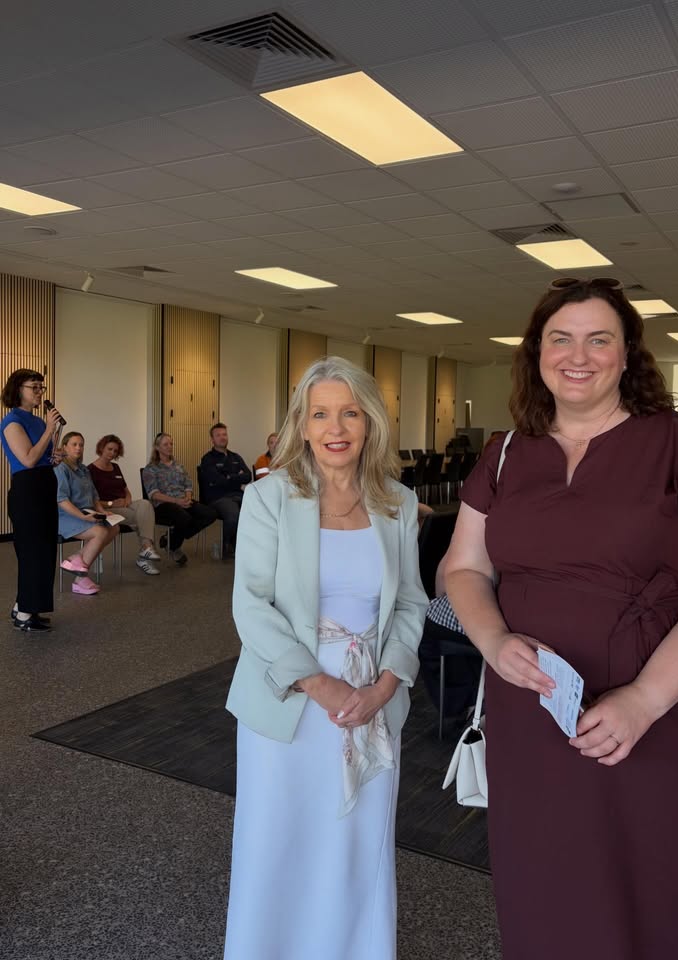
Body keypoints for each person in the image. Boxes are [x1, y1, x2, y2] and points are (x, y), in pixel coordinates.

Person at [444, 276, 678, 960]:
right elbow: (464, 569)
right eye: (560, 339)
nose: (578, 355)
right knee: (547, 886)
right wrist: (494, 639)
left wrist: (644, 700)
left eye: (600, 339)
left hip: (658, 715)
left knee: (660, 889)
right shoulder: (505, 453)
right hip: (531, 715)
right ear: (536, 352)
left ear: (628, 354)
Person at [223, 356, 427, 960]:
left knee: (356, 844)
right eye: (320, 414)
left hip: (372, 702)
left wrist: (385, 685)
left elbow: (411, 603)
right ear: (302, 425)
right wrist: (321, 684)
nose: (335, 428)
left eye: (350, 413)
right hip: (291, 704)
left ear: (370, 423)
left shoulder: (398, 503)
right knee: (278, 843)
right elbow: (251, 606)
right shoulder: (268, 497)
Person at [1, 369, 63, 632]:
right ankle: (25, 615)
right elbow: (27, 459)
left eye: (41, 387)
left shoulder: (37, 421)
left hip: (45, 485)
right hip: (27, 491)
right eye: (34, 387)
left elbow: (41, 457)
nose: (40, 392)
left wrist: (54, 457)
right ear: (19, 389)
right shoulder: (12, 421)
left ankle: (24, 606)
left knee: (45, 550)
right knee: (32, 552)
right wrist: (50, 429)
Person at [55, 432, 118, 596]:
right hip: (66, 516)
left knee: (114, 527)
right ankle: (80, 580)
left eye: (81, 445)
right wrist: (82, 516)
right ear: (65, 447)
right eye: (74, 444)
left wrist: (103, 512)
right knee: (100, 532)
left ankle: (75, 558)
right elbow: (62, 500)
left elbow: (94, 496)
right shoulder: (61, 469)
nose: (78, 448)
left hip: (86, 512)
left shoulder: (83, 469)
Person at [89, 434, 161, 575]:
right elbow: (92, 501)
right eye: (109, 449)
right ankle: (145, 553)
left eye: (115, 451)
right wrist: (111, 503)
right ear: (102, 448)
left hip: (124, 505)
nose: (112, 453)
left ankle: (146, 549)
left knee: (145, 504)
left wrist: (128, 498)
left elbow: (126, 490)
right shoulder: (90, 470)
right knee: (141, 517)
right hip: (107, 509)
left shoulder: (115, 467)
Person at [142, 433, 217, 565]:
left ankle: (172, 537)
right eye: (166, 444)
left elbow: (188, 484)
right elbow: (154, 494)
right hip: (163, 504)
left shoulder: (179, 466)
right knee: (184, 518)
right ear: (157, 447)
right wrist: (177, 501)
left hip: (182, 501)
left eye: (171, 444)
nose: (170, 447)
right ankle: (174, 547)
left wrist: (187, 498)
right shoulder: (151, 469)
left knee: (210, 514)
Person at [198, 423, 251, 559]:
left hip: (237, 495)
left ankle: (246, 545)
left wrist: (229, 477)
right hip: (218, 498)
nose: (222, 437)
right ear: (212, 439)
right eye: (218, 435)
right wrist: (237, 479)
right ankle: (227, 545)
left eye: (224, 434)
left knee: (256, 509)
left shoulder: (235, 457)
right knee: (233, 514)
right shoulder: (207, 459)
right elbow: (218, 480)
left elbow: (248, 476)